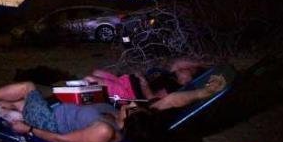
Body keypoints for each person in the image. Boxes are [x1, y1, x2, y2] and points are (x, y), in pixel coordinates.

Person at [0, 81, 156, 142]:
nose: (131, 103)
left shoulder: (105, 131)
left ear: (130, 119)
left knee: (27, 87)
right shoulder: (115, 115)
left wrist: (29, 129)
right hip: (54, 109)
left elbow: (64, 140)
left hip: (48, 122)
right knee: (15, 103)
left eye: (133, 107)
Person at [83, 57, 222, 110]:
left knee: (90, 80)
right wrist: (204, 64)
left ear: (189, 79)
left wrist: (144, 83)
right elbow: (179, 62)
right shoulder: (172, 76)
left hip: (131, 95)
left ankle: (73, 103)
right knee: (97, 73)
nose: (184, 69)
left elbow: (153, 102)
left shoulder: (176, 89)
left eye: (189, 71)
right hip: (129, 83)